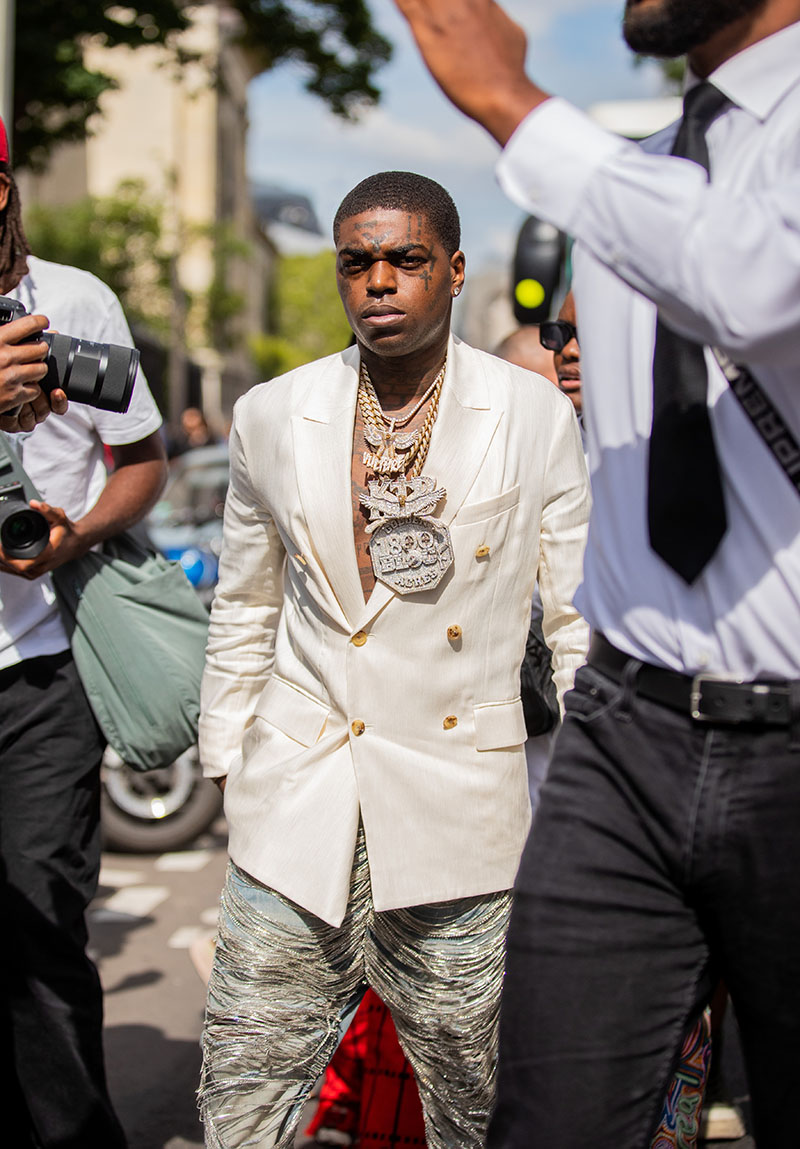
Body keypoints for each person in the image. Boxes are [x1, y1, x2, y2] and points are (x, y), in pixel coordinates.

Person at [394, 1, 800, 1146]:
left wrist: (511, 104)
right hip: (624, 733)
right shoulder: (629, 178)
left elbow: (751, 276)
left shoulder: (605, 173)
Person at [198, 170, 590, 1149]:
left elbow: (572, 618)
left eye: (405, 260)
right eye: (356, 262)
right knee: (243, 1088)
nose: (378, 281)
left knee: (478, 1100)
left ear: (452, 271)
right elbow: (244, 601)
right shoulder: (271, 416)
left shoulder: (530, 414)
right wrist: (227, 761)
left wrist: (586, 805)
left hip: (463, 806)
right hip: (301, 799)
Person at [0, 112, 167, 1148]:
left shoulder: (71, 303)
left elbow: (144, 463)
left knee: (42, 935)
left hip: (39, 675)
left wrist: (71, 540)